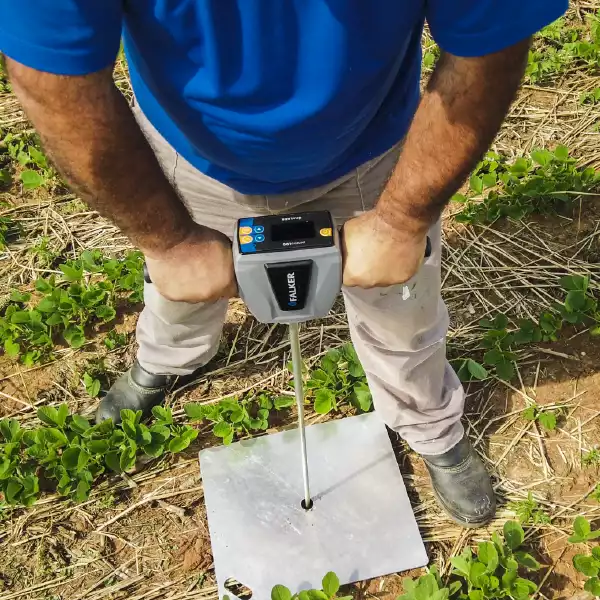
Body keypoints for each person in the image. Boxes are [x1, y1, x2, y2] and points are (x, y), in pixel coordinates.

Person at [0, 0, 567, 528]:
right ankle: (167, 359)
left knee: (402, 308)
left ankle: (428, 422)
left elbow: (489, 48)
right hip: (194, 155)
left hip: (373, 153)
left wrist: (401, 222)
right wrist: (170, 242)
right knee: (180, 288)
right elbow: (53, 82)